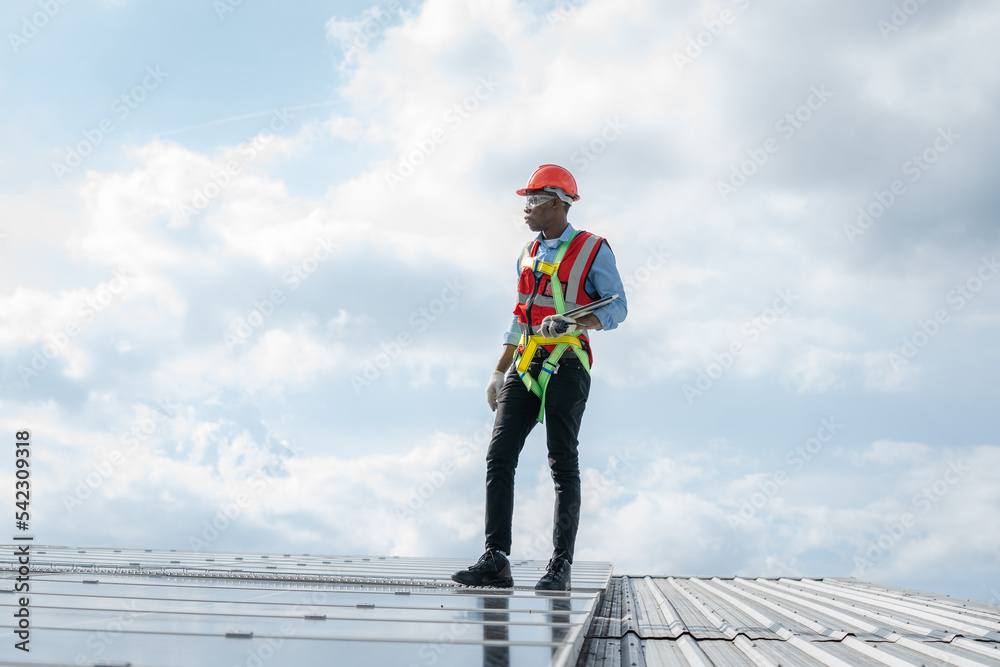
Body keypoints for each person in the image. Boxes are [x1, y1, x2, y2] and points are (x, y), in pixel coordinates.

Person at [452, 164, 627, 591]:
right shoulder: (526, 254)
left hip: (568, 363)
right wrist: (499, 370)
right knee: (499, 455)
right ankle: (496, 559)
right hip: (526, 363)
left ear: (555, 202)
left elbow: (617, 308)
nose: (525, 208)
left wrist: (573, 323)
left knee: (561, 460)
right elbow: (519, 317)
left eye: (531, 200)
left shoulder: (592, 249)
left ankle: (561, 565)